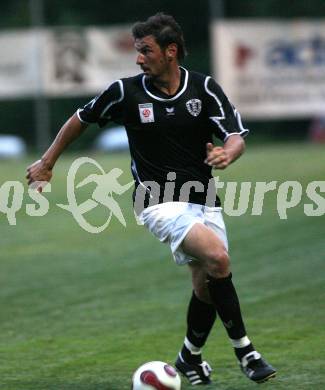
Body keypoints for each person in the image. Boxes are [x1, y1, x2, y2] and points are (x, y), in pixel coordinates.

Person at [26, 13, 276, 386]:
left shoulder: (203, 88)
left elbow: (236, 134)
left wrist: (229, 152)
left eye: (146, 50)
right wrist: (47, 162)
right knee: (218, 258)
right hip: (156, 200)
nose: (138, 58)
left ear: (170, 51)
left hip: (204, 200)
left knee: (206, 285)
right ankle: (246, 351)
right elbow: (81, 118)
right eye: (137, 51)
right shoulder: (125, 92)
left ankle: (188, 359)